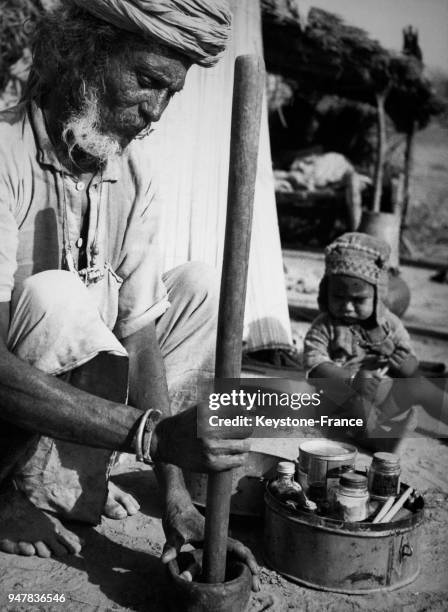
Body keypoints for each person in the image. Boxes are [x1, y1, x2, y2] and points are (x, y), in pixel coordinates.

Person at [0, 0, 259, 586]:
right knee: (58, 298)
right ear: (85, 53)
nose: (156, 110)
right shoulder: (5, 153)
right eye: (146, 81)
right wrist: (150, 433)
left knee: (196, 290)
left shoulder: (133, 172)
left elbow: (140, 340)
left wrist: (174, 498)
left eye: (171, 93)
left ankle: (74, 473)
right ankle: (8, 486)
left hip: (72, 390)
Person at [304, 232, 447, 449]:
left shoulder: (389, 324)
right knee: (356, 403)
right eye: (338, 297)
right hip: (341, 404)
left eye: (358, 299)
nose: (347, 306)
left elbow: (410, 360)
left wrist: (407, 364)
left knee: (421, 386)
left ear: (377, 296)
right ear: (326, 293)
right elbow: (314, 366)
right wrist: (352, 379)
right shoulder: (324, 326)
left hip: (384, 397)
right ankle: (378, 440)